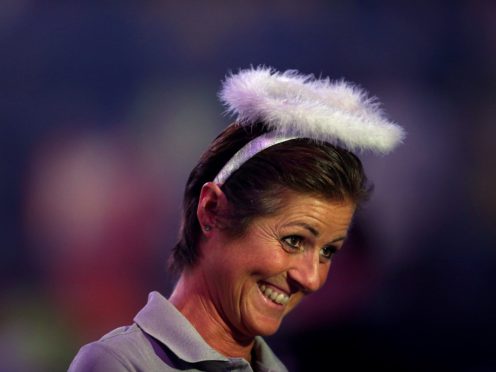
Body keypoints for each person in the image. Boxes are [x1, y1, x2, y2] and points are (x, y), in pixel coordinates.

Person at [69, 67, 404, 371]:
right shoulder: (120, 364)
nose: (312, 278)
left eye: (328, 252)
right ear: (213, 211)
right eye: (294, 240)